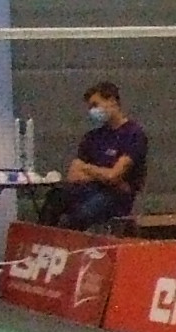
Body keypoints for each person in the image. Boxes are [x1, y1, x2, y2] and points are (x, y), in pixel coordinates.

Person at [40, 81, 145, 230]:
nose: (92, 111)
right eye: (90, 107)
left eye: (95, 105)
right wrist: (103, 175)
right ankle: (42, 237)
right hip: (89, 190)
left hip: (116, 196)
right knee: (55, 197)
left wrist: (87, 169)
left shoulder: (133, 134)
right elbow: (73, 174)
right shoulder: (92, 137)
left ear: (112, 101)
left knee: (82, 214)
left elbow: (114, 175)